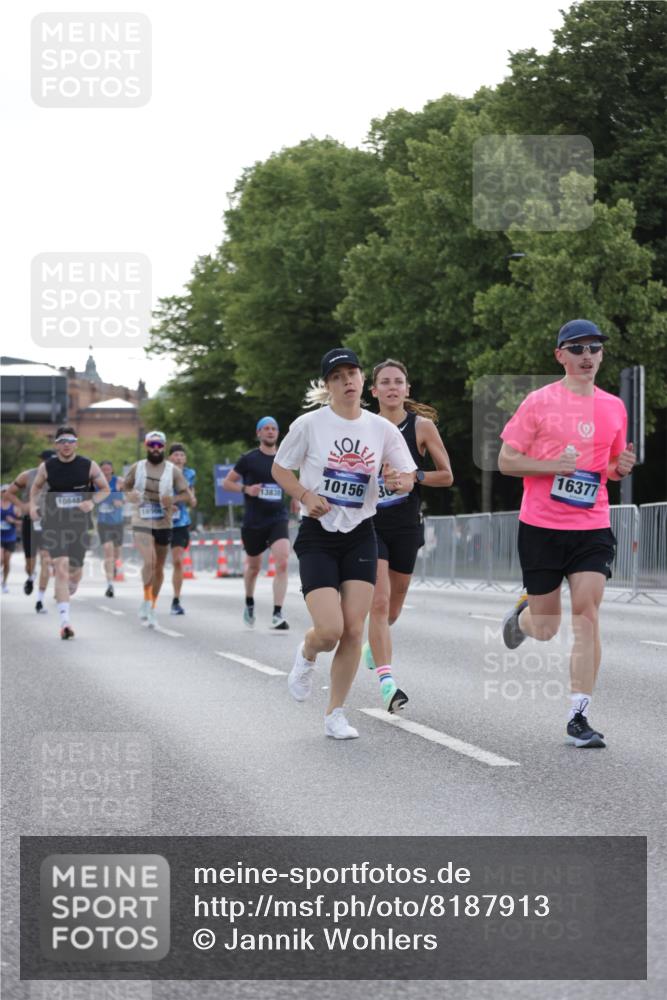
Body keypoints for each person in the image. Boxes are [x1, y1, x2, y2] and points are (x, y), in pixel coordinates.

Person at [498, 319, 636, 748]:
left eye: (594, 348)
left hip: (592, 525)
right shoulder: (539, 402)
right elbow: (506, 460)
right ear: (560, 355)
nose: (587, 356)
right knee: (545, 628)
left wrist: (620, 469)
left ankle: (579, 715)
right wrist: (551, 467)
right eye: (577, 348)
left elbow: (609, 467)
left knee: (587, 614)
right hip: (541, 526)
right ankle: (523, 617)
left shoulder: (614, 407)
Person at [272, 348, 416, 740]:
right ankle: (307, 653)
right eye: (338, 376)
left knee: (353, 630)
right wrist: (305, 494)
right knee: (330, 630)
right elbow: (280, 468)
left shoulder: (380, 429)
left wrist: (399, 481)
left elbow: (407, 476)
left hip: (361, 534)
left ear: (361, 379)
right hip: (318, 534)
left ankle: (335, 713)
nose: (347, 381)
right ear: (328, 385)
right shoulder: (309, 425)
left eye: (352, 373)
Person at [363, 359, 453, 711]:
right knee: (379, 602)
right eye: (385, 382)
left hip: (405, 525)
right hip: (370, 524)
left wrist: (415, 477)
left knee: (393, 608)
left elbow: (446, 475)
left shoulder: (421, 427)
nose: (392, 387)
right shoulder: (363, 426)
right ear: (374, 391)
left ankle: (375, 643)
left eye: (398, 382)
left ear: (407, 389)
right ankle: (388, 684)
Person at [29, 428, 110, 639]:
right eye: (62, 441)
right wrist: (32, 505)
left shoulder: (88, 465)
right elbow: (36, 488)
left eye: (70, 441)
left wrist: (92, 502)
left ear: (76, 443)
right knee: (61, 568)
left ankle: (74, 581)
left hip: (79, 524)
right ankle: (65, 622)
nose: (66, 444)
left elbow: (105, 489)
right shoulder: (47, 467)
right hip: (54, 522)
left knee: (75, 569)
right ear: (57, 444)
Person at [222, 418, 293, 630]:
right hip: (254, 521)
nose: (270, 432)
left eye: (274, 428)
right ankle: (249, 602)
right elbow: (227, 482)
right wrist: (246, 489)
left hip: (278, 518)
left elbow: (291, 482)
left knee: (282, 562)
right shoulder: (249, 459)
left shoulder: (284, 458)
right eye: (266, 429)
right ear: (258, 433)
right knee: (253, 567)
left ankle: (277, 613)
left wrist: (297, 497)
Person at [123, 431, 192, 628]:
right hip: (142, 521)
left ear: (163, 447)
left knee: (159, 566)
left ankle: (152, 605)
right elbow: (125, 487)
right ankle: (146, 598)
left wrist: (174, 499)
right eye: (152, 445)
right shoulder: (137, 467)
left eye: (159, 445)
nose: (155, 448)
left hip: (163, 522)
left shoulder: (173, 471)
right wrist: (130, 495)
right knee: (150, 560)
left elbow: (186, 495)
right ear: (146, 446)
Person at [8, 448, 55, 606]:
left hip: (49, 522)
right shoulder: (27, 475)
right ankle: (30, 576)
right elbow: (9, 493)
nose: (49, 464)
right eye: (47, 461)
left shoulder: (60, 476)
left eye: (52, 461)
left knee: (46, 559)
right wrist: (22, 506)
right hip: (30, 521)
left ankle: (40, 599)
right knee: (30, 562)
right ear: (40, 461)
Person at [167, 443, 197, 615]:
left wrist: (190, 499)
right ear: (169, 458)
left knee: (178, 561)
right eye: (175, 455)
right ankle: (149, 597)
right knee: (155, 563)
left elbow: (191, 496)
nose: (179, 458)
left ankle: (176, 600)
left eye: (181, 455)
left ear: (185, 459)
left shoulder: (190, 474)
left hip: (180, 522)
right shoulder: (161, 473)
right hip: (161, 522)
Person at [96, 460, 125, 598]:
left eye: (108, 469)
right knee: (108, 550)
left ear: (112, 470)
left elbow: (132, 494)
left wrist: (122, 501)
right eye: (103, 469)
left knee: (117, 553)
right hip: (103, 523)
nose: (106, 471)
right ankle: (109, 584)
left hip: (117, 523)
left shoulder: (119, 481)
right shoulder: (96, 483)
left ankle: (113, 566)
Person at [1, 486, 21, 592]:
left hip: (10, 537)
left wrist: (13, 521)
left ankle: (4, 583)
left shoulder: (15, 507)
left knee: (6, 562)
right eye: (3, 491)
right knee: (0, 558)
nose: (5, 493)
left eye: (7, 491)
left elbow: (22, 522)